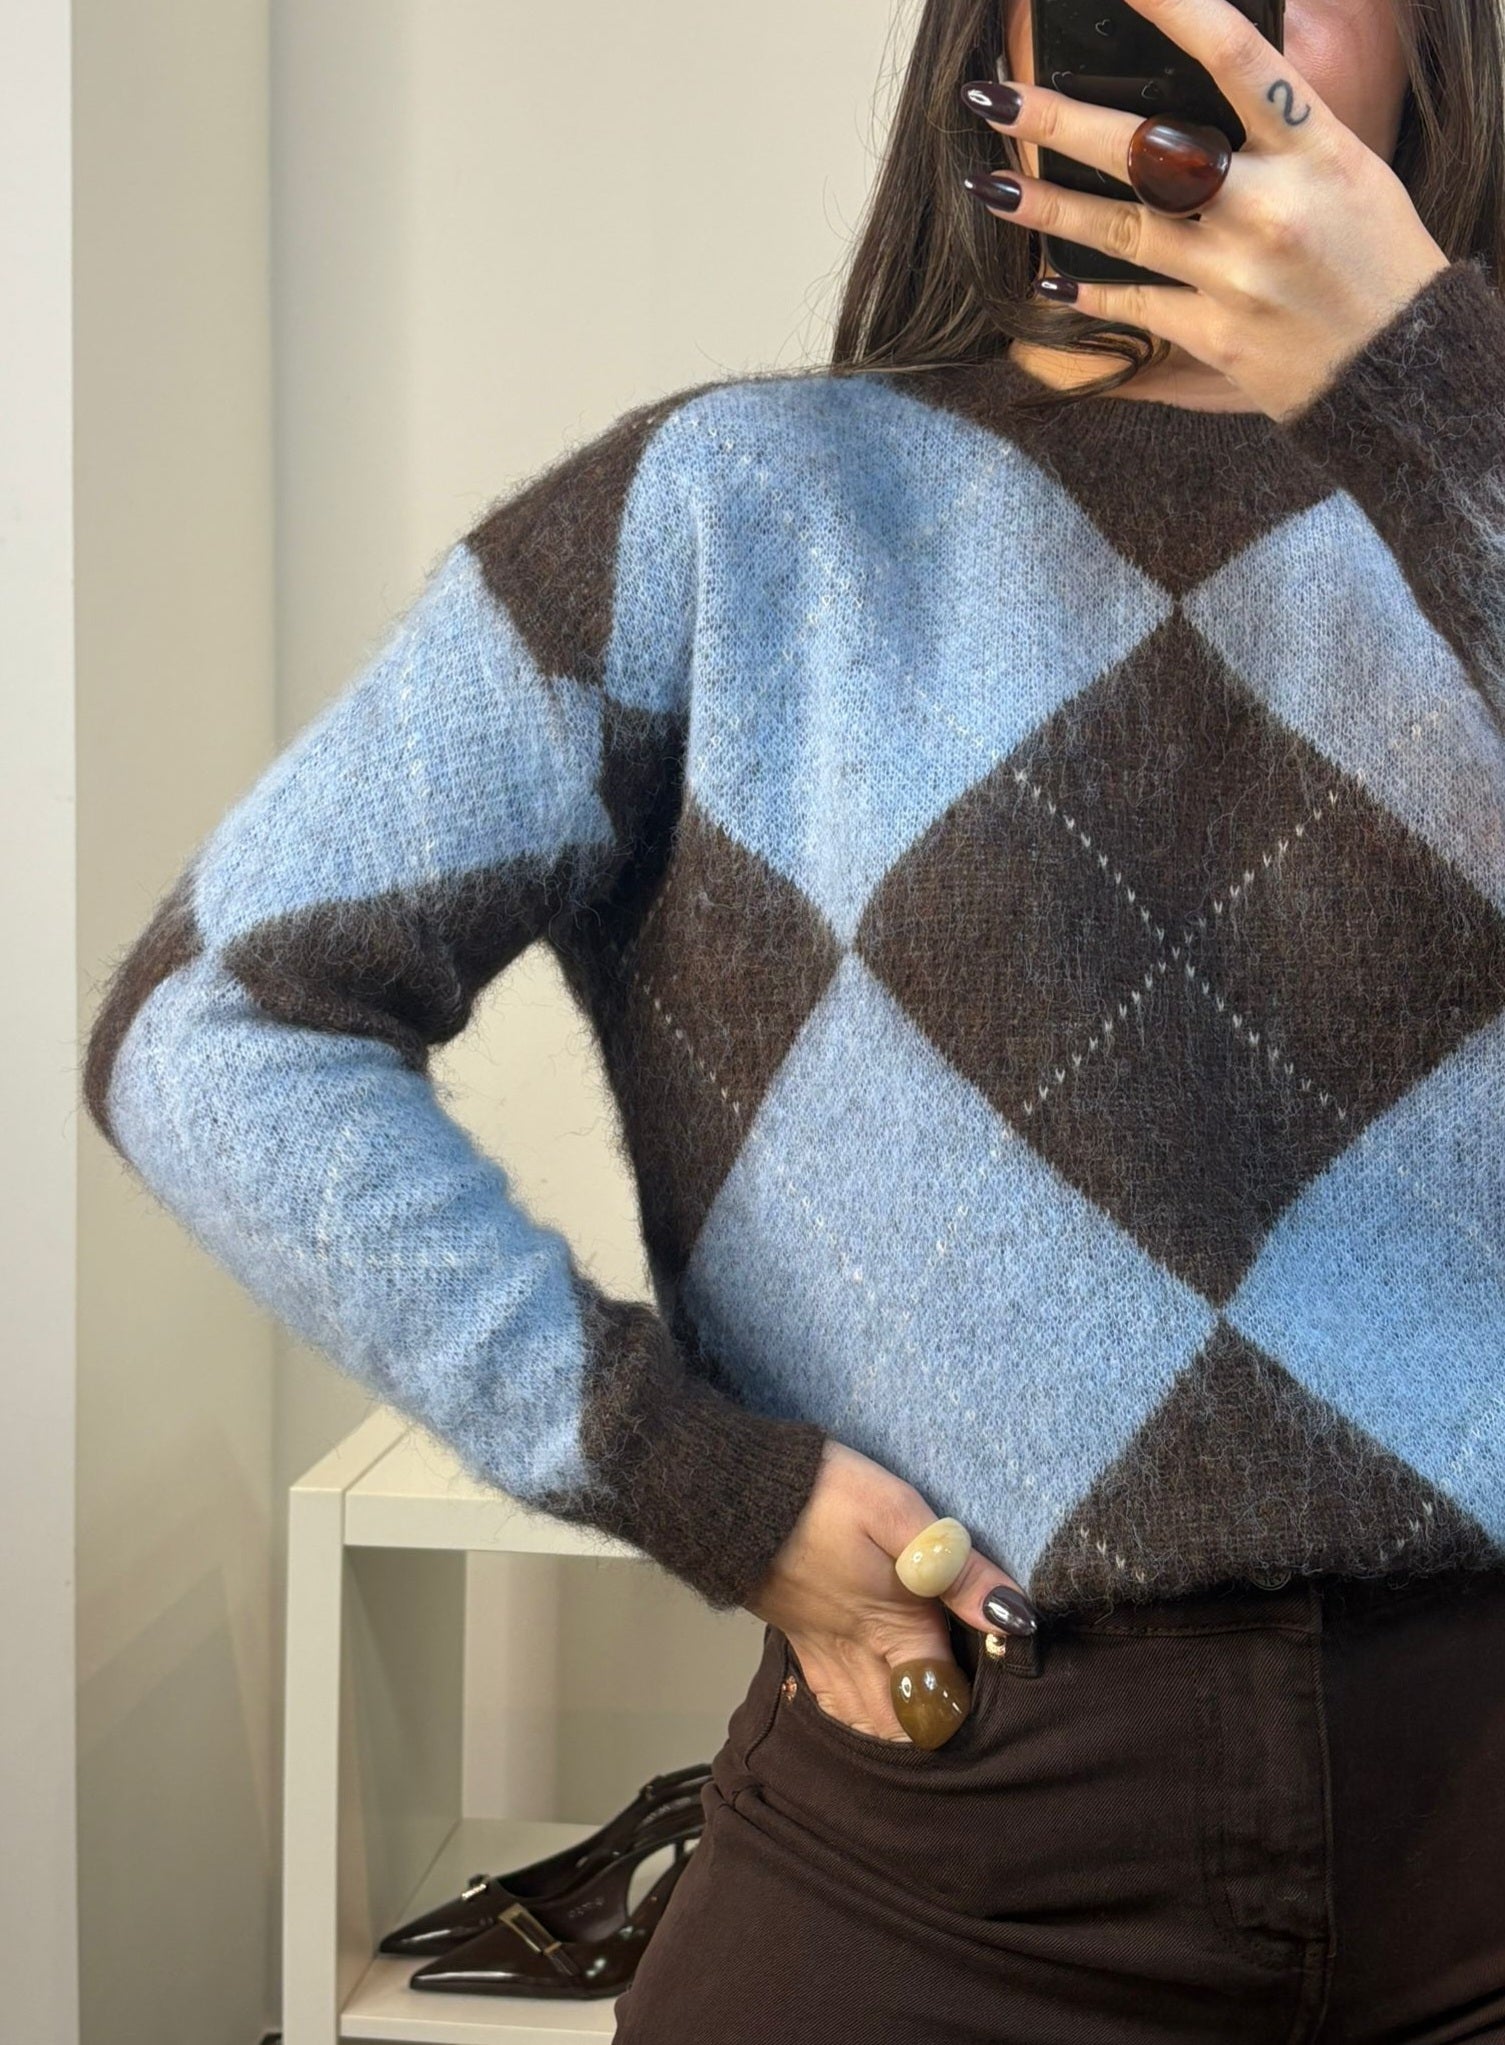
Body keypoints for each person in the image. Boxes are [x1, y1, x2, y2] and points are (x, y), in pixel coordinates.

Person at [82, 0, 1505, 2032]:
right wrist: (681, 1469)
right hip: (938, 1846)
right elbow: (212, 1022)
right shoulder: (735, 510)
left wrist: (1431, 396)